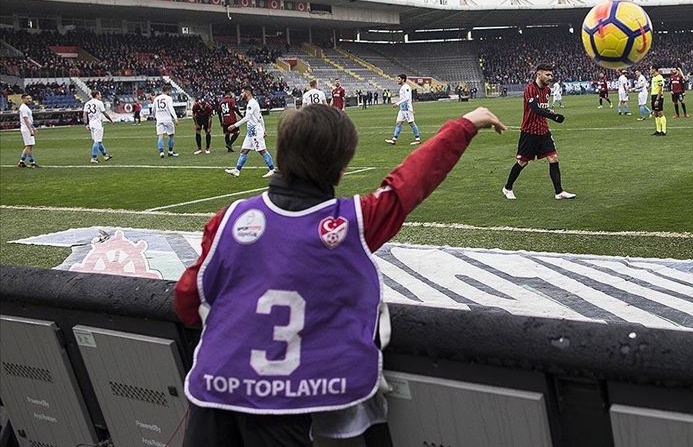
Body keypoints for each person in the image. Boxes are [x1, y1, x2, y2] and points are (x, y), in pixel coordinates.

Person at [175, 105, 505, 446]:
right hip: (283, 405)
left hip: (213, 391)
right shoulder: (351, 222)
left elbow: (188, 300)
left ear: (280, 152)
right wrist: (465, 125)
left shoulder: (229, 218)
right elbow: (408, 184)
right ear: (342, 166)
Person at [502, 63, 576, 201]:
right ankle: (507, 188)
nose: (550, 77)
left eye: (551, 75)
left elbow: (543, 108)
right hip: (529, 132)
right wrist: (553, 117)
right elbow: (535, 108)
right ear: (538, 74)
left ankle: (559, 192)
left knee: (553, 158)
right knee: (523, 162)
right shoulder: (530, 89)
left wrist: (550, 112)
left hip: (543, 131)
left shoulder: (547, 90)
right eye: (547, 74)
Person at [224, 86, 276, 178]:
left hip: (255, 131)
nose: (241, 94)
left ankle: (272, 169)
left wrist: (234, 125)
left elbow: (247, 118)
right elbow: (260, 117)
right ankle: (237, 170)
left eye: (242, 92)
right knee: (244, 150)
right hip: (251, 131)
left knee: (262, 150)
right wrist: (264, 130)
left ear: (247, 93)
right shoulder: (252, 103)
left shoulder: (251, 103)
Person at [385, 74, 421, 145]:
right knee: (398, 123)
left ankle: (418, 139)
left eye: (399, 79)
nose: (397, 81)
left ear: (403, 79)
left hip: (407, 108)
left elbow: (407, 98)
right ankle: (394, 139)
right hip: (402, 108)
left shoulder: (406, 87)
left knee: (411, 123)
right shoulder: (402, 87)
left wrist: (398, 103)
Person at [83, 91, 114, 163]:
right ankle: (94, 157)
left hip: (91, 124)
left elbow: (84, 115)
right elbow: (105, 113)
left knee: (98, 141)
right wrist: (110, 120)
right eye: (100, 94)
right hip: (98, 124)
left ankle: (105, 155)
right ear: (96, 95)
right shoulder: (99, 103)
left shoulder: (87, 103)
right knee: (97, 141)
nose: (101, 96)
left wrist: (86, 124)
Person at [153, 85, 180, 158]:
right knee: (171, 135)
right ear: (167, 91)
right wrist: (175, 118)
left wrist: (154, 117)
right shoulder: (168, 98)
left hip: (159, 119)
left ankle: (161, 152)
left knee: (160, 136)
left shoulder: (156, 98)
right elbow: (171, 108)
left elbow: (153, 109)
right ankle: (170, 152)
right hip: (167, 119)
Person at [16, 94, 38, 168]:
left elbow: (29, 119)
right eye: (27, 98)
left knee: (29, 145)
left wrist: (33, 128)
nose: (29, 100)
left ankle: (21, 162)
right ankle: (32, 162)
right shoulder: (23, 108)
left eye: (29, 98)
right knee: (28, 146)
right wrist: (30, 130)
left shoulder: (25, 107)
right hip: (26, 129)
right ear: (23, 99)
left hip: (28, 128)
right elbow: (26, 120)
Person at [650, 65, 667, 136]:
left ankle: (664, 131)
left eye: (651, 69)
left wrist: (657, 99)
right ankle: (658, 130)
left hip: (658, 96)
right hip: (653, 95)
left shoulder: (659, 77)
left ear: (654, 69)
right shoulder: (653, 78)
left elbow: (660, 88)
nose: (650, 70)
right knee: (656, 113)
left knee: (660, 113)